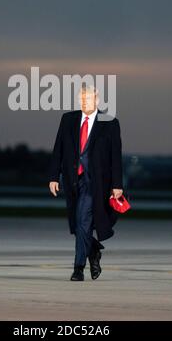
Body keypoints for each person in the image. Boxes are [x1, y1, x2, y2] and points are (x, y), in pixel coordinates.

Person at [48, 85, 124, 281]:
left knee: (82, 220)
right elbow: (59, 149)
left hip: (96, 183)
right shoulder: (68, 119)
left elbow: (116, 157)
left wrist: (117, 184)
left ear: (97, 100)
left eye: (88, 99)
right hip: (73, 180)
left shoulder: (110, 123)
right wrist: (53, 177)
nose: (84, 102)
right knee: (76, 223)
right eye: (81, 99)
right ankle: (94, 251)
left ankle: (78, 268)